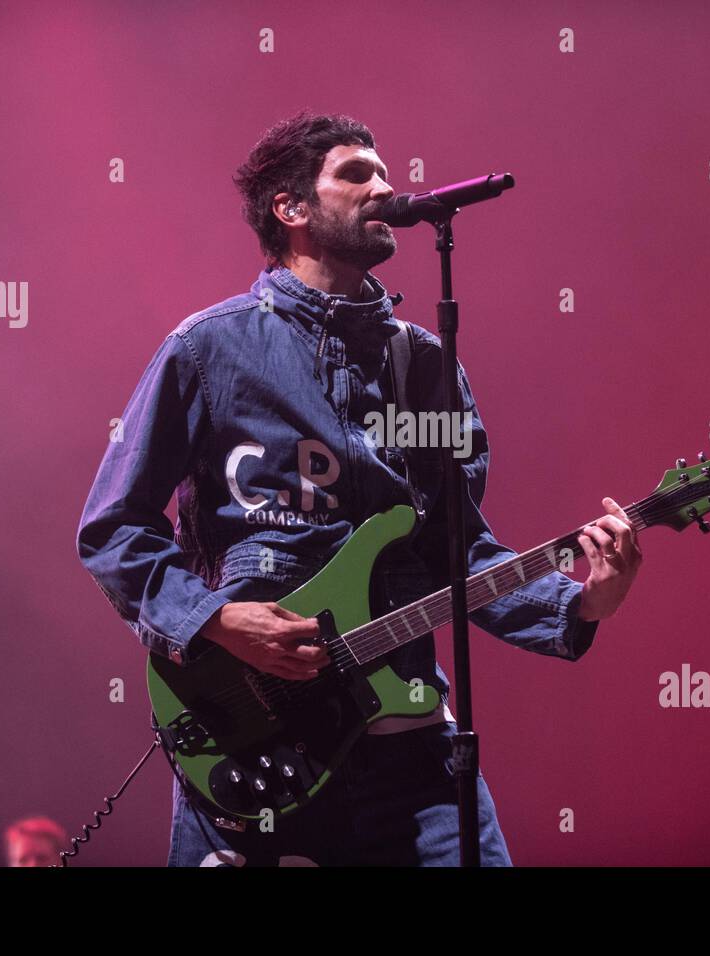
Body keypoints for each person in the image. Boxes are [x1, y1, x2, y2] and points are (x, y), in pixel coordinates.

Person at [76, 111, 641, 866]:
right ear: (292, 207)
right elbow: (113, 529)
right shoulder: (209, 349)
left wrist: (583, 600)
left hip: (414, 759)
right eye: (356, 173)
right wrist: (215, 620)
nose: (385, 186)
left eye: (384, 172)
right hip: (260, 746)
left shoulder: (427, 368)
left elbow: (457, 554)